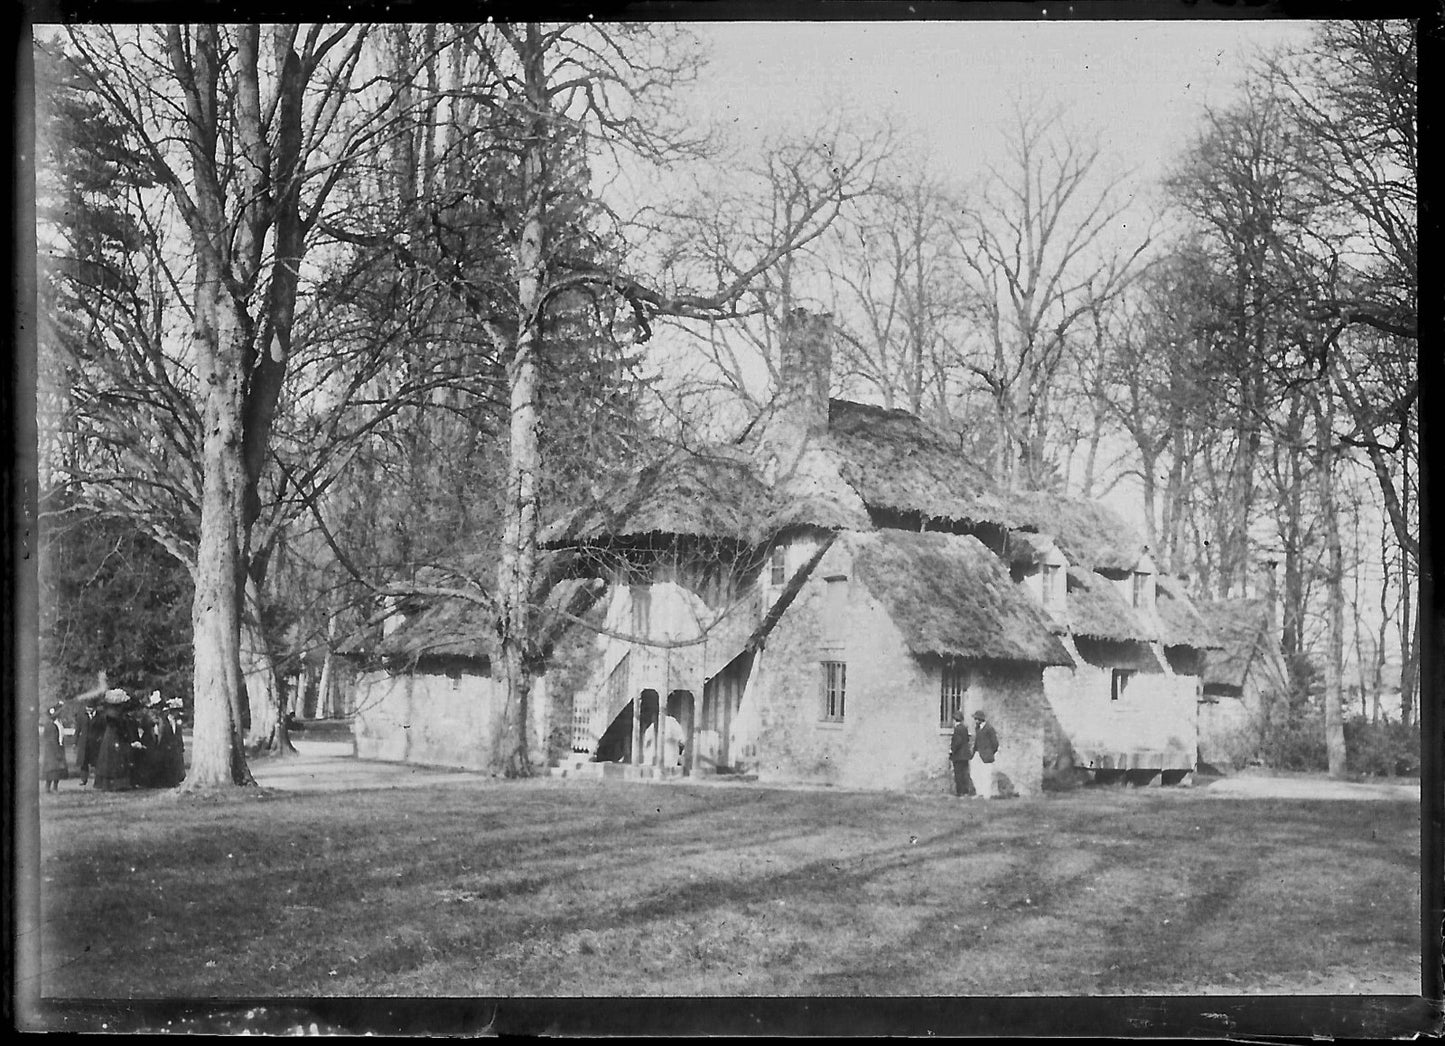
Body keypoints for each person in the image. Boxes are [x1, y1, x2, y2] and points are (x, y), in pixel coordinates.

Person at [91, 689, 141, 791]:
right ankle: (116, 784)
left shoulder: (110, 713)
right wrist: (127, 738)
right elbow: (120, 728)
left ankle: (109, 784)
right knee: (116, 759)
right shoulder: (116, 715)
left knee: (110, 759)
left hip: (109, 738)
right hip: (115, 738)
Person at [157, 697, 187, 787]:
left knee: (176, 763)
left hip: (175, 746)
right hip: (166, 746)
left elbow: (179, 735)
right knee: (166, 763)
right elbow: (161, 734)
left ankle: (175, 780)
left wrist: (181, 746)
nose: (176, 713)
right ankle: (166, 781)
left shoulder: (178, 722)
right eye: (174, 711)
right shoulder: (164, 720)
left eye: (177, 711)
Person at [74, 698, 104, 787]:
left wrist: (100, 738)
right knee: (84, 762)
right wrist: (75, 742)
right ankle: (83, 779)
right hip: (84, 743)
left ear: (94, 708)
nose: (89, 709)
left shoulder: (100, 717)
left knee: (96, 761)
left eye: (91, 707)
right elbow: (77, 730)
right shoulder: (81, 716)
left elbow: (103, 730)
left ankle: (97, 779)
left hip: (95, 742)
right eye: (87, 707)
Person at [40, 705, 69, 793]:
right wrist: (57, 751)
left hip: (58, 747)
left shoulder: (59, 723)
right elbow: (51, 739)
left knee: (58, 769)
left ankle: (55, 787)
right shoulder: (50, 725)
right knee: (52, 769)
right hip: (52, 749)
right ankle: (48, 787)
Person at [970, 710, 999, 799]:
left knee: (986, 775)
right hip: (977, 754)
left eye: (976, 719)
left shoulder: (989, 728)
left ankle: (986, 794)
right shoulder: (977, 728)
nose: (975, 720)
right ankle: (979, 792)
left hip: (986, 756)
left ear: (980, 719)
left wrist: (989, 753)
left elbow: (995, 744)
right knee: (974, 774)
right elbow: (976, 742)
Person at [948, 709, 975, 797]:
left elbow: (958, 741)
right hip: (965, 755)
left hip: (958, 755)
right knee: (964, 773)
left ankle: (960, 792)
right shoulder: (964, 728)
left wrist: (952, 750)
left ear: (955, 719)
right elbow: (966, 740)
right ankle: (965, 791)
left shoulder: (957, 729)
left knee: (958, 774)